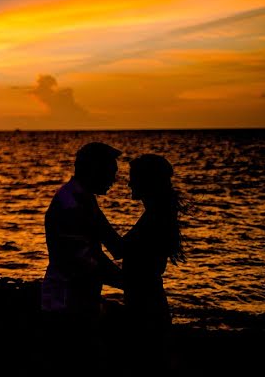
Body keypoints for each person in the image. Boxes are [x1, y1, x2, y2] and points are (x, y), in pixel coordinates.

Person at [40, 142, 125, 374]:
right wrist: (128, 282)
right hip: (65, 304)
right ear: (94, 169)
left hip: (76, 300)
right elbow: (85, 261)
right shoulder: (72, 204)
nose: (113, 180)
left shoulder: (84, 198)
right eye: (110, 172)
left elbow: (114, 244)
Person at [122, 153, 189, 366]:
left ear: (146, 181)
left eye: (133, 178)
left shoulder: (155, 218)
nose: (129, 183)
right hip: (145, 299)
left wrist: (94, 221)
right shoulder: (157, 214)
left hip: (146, 303)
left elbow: (120, 249)